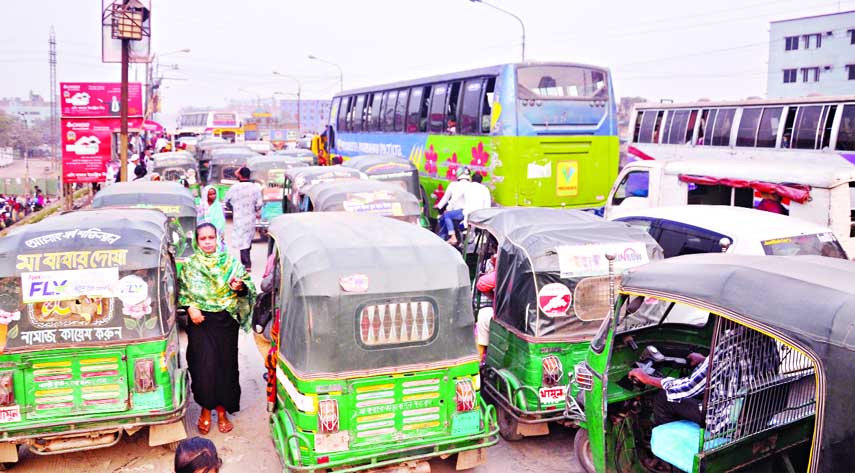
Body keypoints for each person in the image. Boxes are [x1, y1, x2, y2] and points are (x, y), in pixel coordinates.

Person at [179, 223, 257, 435]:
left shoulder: (229, 262)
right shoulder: (190, 265)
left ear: (217, 238)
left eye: (211, 238)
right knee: (203, 368)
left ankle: (222, 412)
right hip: (200, 323)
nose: (207, 242)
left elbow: (247, 287)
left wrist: (239, 287)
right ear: (197, 241)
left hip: (225, 323)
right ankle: (205, 411)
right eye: (202, 238)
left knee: (225, 368)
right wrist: (190, 307)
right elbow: (182, 292)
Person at [224, 167, 262, 272]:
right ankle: (247, 262)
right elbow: (259, 204)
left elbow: (226, 201)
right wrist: (254, 210)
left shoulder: (234, 188)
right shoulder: (255, 188)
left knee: (242, 240)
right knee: (248, 239)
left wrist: (234, 210)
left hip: (239, 217)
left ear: (240, 175)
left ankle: (246, 263)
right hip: (251, 217)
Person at [435, 167, 471, 245]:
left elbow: (446, 199)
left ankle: (450, 237)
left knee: (443, 221)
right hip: (469, 215)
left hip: (458, 213)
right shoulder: (471, 186)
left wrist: (439, 206)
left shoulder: (454, 185)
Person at [198, 185, 226, 250]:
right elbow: (199, 218)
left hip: (217, 231)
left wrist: (221, 232)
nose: (213, 196)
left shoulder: (218, 205)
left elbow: (221, 220)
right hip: (204, 230)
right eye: (210, 194)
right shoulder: (202, 205)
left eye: (214, 193)